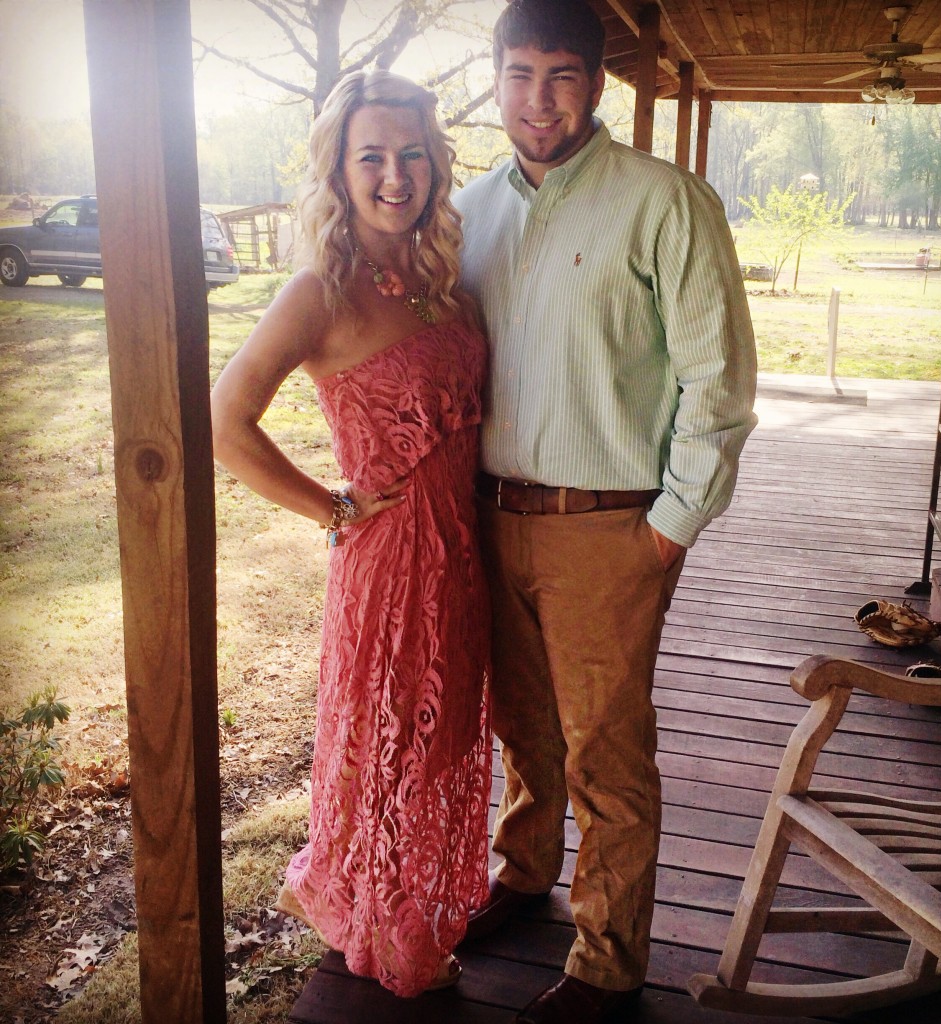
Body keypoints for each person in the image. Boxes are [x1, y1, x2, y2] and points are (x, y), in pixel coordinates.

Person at [453, 2, 758, 1022]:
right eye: (520, 74)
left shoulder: (665, 202)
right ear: (496, 77)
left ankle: (608, 960)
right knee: (522, 727)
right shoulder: (468, 210)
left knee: (606, 752)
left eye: (561, 75)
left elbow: (719, 380)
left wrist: (669, 526)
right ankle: (523, 871)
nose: (539, 99)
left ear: (594, 83)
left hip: (609, 526)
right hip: (490, 515)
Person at [210, 69, 491, 999]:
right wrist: (327, 505)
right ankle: (387, 935)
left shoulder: (442, 278)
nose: (394, 176)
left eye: (412, 154)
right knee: (390, 753)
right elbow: (224, 422)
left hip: (463, 560)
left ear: (435, 164)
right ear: (338, 168)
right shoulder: (318, 291)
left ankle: (393, 906)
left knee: (441, 746)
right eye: (371, 156)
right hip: (390, 568)